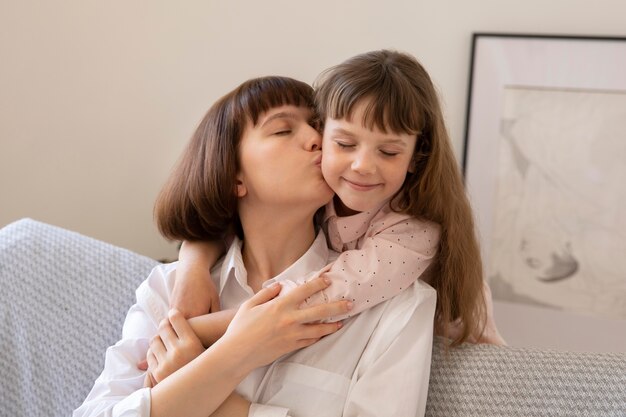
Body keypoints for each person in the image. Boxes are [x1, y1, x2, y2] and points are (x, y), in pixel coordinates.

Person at [74, 74, 437, 417]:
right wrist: (232, 353)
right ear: (234, 176)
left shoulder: (397, 305)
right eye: (282, 129)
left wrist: (210, 388)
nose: (315, 139)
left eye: (319, 127)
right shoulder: (170, 291)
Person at [166, 49, 505, 354]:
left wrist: (191, 331)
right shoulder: (319, 200)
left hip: (463, 366)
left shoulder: (412, 230)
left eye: (388, 152)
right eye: (344, 144)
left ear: (417, 157)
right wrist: (192, 265)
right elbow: (227, 222)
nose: (363, 166)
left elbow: (321, 299)